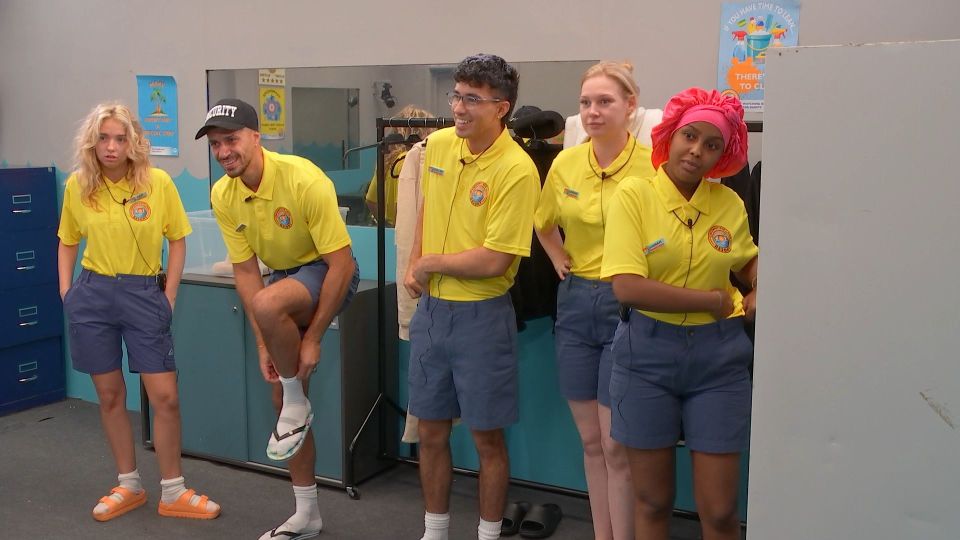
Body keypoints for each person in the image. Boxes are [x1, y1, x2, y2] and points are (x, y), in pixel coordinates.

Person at [196, 98, 360, 540]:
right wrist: (265, 344)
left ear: (255, 136)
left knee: (270, 305)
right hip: (285, 278)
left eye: (230, 140)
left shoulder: (303, 178)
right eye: (215, 144)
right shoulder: (223, 194)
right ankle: (307, 514)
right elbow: (246, 273)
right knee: (283, 407)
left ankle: (295, 397)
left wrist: (315, 338)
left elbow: (342, 264)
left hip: (327, 270)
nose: (224, 151)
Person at [600, 87, 758, 540]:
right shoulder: (634, 195)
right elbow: (627, 287)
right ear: (671, 135)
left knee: (723, 512)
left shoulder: (727, 203)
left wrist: (760, 283)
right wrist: (713, 300)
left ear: (723, 155)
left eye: (712, 145)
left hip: (719, 361)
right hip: (645, 357)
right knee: (652, 503)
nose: (697, 151)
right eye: (691, 136)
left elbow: (747, 259)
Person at [57, 102, 220, 522]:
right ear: (92, 143)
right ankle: (128, 484)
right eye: (104, 138)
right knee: (110, 395)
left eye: (120, 138)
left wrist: (168, 295)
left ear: (134, 142)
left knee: (164, 396)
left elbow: (179, 239)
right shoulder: (78, 186)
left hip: (144, 293)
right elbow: (67, 240)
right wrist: (67, 293)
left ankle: (173, 491)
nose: (111, 147)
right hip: (93, 294)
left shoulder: (158, 182)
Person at [404, 54, 540, 540]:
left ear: (501, 108)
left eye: (472, 99)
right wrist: (415, 257)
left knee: (486, 438)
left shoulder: (518, 169)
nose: (459, 107)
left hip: (483, 317)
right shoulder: (439, 145)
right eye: (456, 95)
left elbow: (495, 260)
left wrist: (429, 263)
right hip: (433, 315)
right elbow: (426, 208)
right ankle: (435, 531)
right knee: (431, 431)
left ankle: (486, 534)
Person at [533, 60, 655, 540]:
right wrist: (558, 257)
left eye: (605, 101)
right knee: (589, 440)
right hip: (577, 301)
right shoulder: (565, 163)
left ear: (630, 106)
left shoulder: (652, 165)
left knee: (616, 445)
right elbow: (542, 222)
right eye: (585, 103)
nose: (593, 112)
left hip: (627, 305)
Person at [364, 104, 435, 226]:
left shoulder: (387, 161)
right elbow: (402, 208)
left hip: (391, 232)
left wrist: (387, 226)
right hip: (409, 235)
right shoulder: (412, 162)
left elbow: (371, 201)